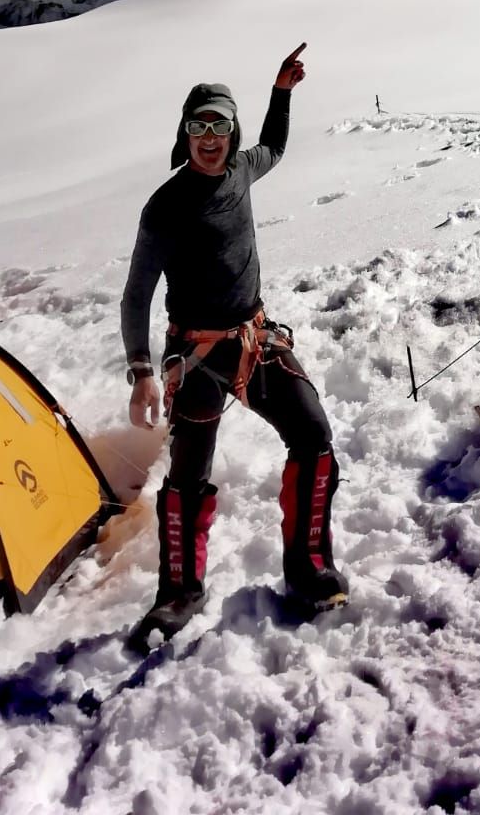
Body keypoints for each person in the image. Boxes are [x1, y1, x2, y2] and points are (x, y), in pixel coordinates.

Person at [121, 44, 346, 642]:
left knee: (314, 436)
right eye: (199, 127)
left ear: (231, 130)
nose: (210, 137)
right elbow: (135, 296)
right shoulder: (164, 207)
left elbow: (274, 146)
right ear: (185, 135)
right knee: (187, 478)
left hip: (252, 337)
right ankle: (179, 592)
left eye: (220, 125)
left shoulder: (243, 168)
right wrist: (142, 370)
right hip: (194, 354)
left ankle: (309, 564)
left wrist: (282, 91)